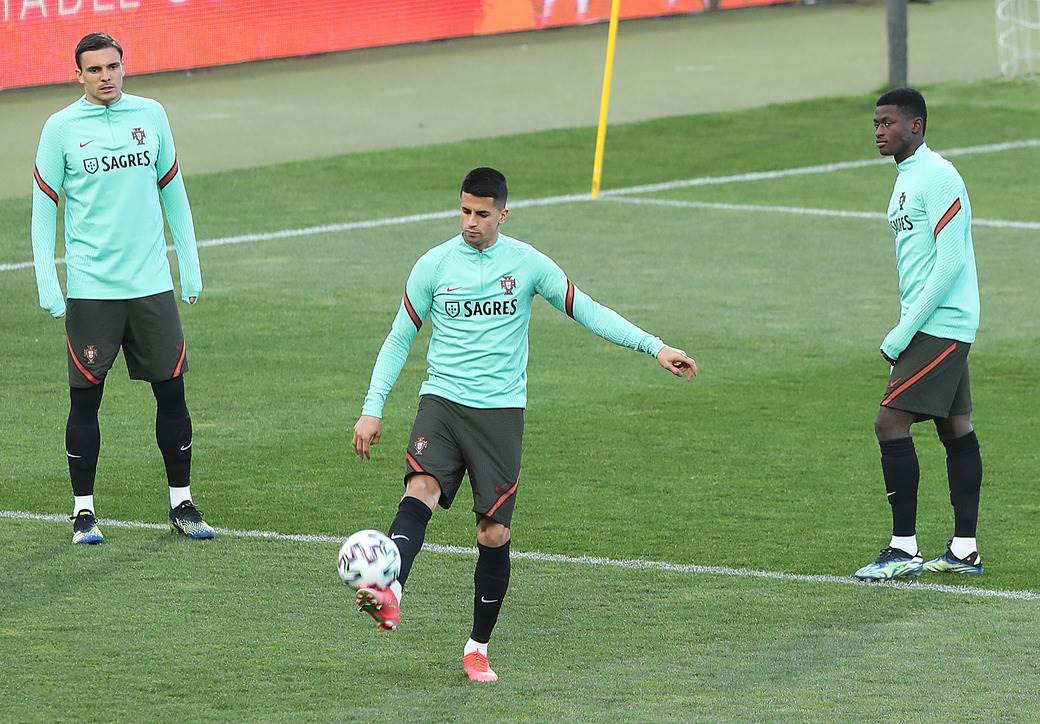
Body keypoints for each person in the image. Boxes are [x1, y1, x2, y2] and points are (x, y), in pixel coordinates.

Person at [351, 167, 697, 682]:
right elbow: (399, 337)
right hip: (441, 403)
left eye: (482, 214)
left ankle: (477, 648)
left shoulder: (527, 264)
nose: (470, 222)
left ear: (502, 215)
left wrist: (655, 346)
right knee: (420, 487)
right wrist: (372, 406)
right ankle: (390, 590)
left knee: (493, 532)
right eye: (464, 211)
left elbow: (588, 310)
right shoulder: (433, 265)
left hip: (499, 415)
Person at [30, 33, 215, 544]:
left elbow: (174, 193)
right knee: (85, 399)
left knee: (172, 393)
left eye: (112, 66)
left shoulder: (151, 115)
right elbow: (44, 208)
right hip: (92, 289)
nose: (105, 76)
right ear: (78, 75)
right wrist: (50, 282)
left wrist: (190, 269)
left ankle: (182, 503)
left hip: (151, 285)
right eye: (94, 70)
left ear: (122, 66)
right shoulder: (60, 128)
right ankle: (83, 512)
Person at [854, 88, 983, 581]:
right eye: (875, 124)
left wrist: (903, 330)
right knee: (956, 428)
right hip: (935, 321)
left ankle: (903, 548)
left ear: (917, 125)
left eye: (889, 122)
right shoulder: (907, 179)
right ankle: (964, 550)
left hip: (940, 324)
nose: (880, 131)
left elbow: (949, 263)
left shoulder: (939, 176)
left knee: (889, 424)